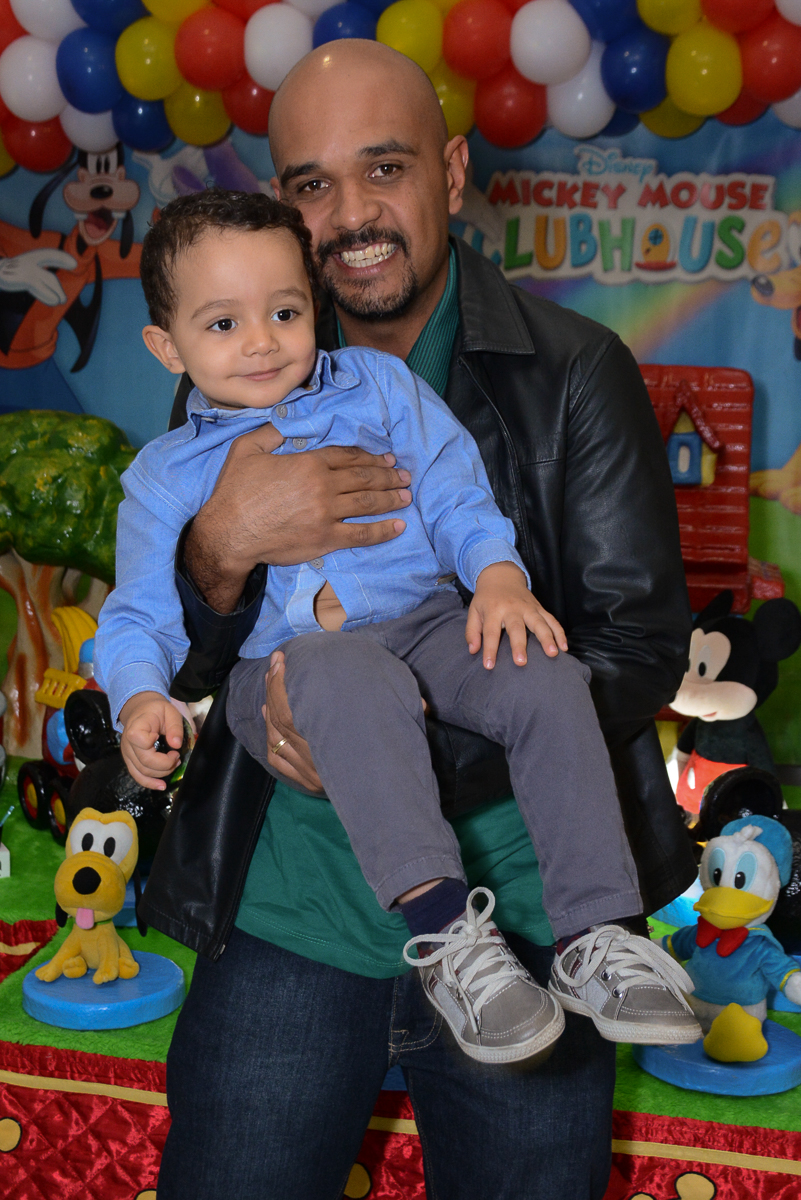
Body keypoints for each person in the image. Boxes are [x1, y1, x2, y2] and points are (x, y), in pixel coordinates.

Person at [139, 39, 697, 1200]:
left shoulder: (577, 370)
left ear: (448, 174)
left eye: (383, 169)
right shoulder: (238, 360)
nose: (351, 216)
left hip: (530, 903)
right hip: (293, 905)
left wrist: (375, 732)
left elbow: (637, 654)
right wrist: (224, 546)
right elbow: (178, 642)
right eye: (311, 185)